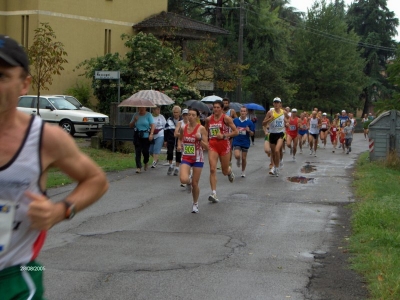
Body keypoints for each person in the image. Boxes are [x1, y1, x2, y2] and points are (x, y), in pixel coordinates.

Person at [0, 35, 109, 299]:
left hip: (13, 280)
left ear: (24, 84)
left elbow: (96, 180)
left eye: (1, 75)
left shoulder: (44, 139)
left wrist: (60, 210)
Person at [205, 100, 238, 203]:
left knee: (224, 171)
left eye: (218, 107)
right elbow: (206, 132)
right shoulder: (209, 119)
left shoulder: (226, 119)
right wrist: (205, 142)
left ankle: (229, 171)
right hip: (213, 145)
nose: (216, 109)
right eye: (214, 107)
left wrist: (224, 136)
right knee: (212, 169)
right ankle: (214, 193)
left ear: (222, 109)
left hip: (224, 146)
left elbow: (236, 132)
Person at [177, 108, 209, 213]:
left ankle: (195, 203)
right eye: (189, 114)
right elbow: (180, 138)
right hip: (186, 156)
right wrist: (179, 145)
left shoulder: (201, 129)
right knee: (183, 179)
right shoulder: (183, 127)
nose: (190, 116)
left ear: (197, 117)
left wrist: (199, 139)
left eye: (193, 115)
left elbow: (207, 146)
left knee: (195, 184)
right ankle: (188, 181)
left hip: (197, 158)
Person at [262, 97, 289, 176]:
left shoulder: (283, 112)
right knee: (274, 153)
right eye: (275, 102)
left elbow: (288, 119)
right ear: (273, 104)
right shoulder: (270, 112)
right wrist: (270, 119)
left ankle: (277, 166)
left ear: (280, 104)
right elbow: (263, 123)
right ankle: (276, 166)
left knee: (277, 150)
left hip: (281, 134)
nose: (276, 104)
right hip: (272, 134)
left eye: (278, 102)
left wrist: (287, 123)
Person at [129, 107, 155, 173]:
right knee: (137, 151)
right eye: (140, 108)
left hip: (146, 136)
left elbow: (153, 125)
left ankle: (146, 161)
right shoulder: (135, 115)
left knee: (145, 152)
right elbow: (130, 125)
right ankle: (138, 167)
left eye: (143, 108)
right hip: (138, 136)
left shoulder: (149, 115)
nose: (141, 109)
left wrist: (151, 134)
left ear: (145, 108)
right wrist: (134, 120)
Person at [232, 107, 255, 177]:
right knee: (237, 155)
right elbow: (231, 129)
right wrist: (234, 130)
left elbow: (252, 134)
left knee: (244, 158)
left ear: (246, 112)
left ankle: (243, 171)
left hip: (245, 141)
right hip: (237, 141)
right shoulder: (235, 121)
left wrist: (249, 131)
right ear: (240, 112)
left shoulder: (249, 122)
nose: (242, 113)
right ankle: (238, 160)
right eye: (241, 111)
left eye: (244, 111)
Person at [165, 106, 182, 176]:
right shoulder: (169, 120)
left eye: (177, 112)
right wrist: (165, 140)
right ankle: (171, 165)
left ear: (179, 113)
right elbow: (165, 130)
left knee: (178, 152)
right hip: (170, 138)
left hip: (179, 139)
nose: (175, 114)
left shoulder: (182, 121)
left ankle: (177, 167)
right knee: (169, 152)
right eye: (174, 112)